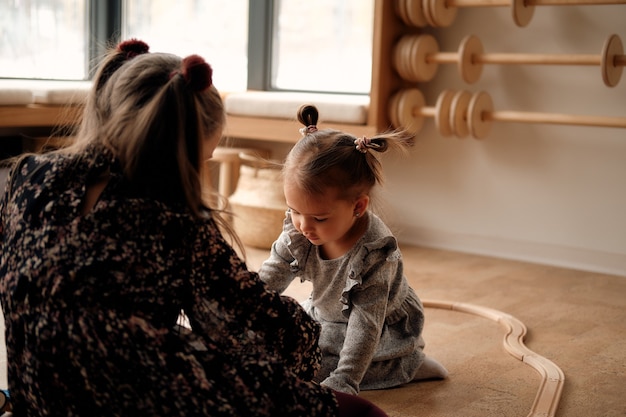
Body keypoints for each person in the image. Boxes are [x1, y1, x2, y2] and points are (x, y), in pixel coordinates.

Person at [0, 39, 388, 416]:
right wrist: (305, 335)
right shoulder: (172, 221)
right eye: (204, 157)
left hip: (34, 396)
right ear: (178, 153)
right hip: (122, 396)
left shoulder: (27, 176)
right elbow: (251, 327)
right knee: (346, 405)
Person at [258, 105, 448, 395]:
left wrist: (345, 380)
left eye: (319, 218)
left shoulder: (374, 254)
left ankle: (409, 364)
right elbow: (268, 279)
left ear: (358, 207)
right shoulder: (299, 232)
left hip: (379, 329)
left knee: (325, 370)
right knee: (284, 352)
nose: (303, 225)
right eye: (294, 211)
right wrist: (241, 313)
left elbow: (366, 325)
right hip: (327, 317)